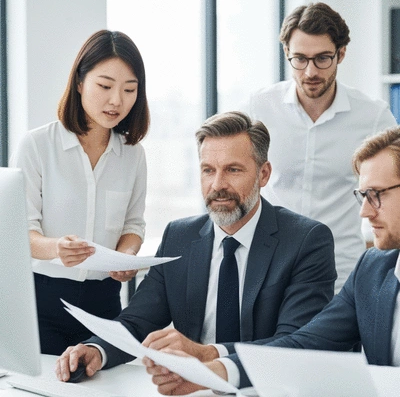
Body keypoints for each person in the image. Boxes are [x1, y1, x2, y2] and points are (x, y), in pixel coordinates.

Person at [55, 111, 336, 382]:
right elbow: (137, 322)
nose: (217, 185)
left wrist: (208, 355)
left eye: (233, 170)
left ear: (263, 174)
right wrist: (96, 350)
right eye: (208, 170)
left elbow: (294, 344)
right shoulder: (180, 236)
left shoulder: (306, 241)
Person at [144, 126, 400, 394]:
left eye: (376, 194)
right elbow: (304, 346)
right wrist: (211, 372)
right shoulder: (373, 270)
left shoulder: (308, 240)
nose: (364, 212)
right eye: (362, 196)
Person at [10, 30, 150, 355]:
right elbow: (19, 233)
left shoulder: (134, 155)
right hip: (43, 300)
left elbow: (134, 225)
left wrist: (127, 255)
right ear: (79, 82)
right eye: (105, 86)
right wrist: (57, 248)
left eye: (129, 89)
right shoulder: (36, 146)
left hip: (105, 302)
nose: (117, 100)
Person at [249, 2, 397, 292]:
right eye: (300, 59)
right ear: (287, 54)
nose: (310, 72)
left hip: (342, 273)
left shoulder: (373, 115)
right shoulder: (261, 107)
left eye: (322, 59)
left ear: (341, 54)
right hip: (272, 270)